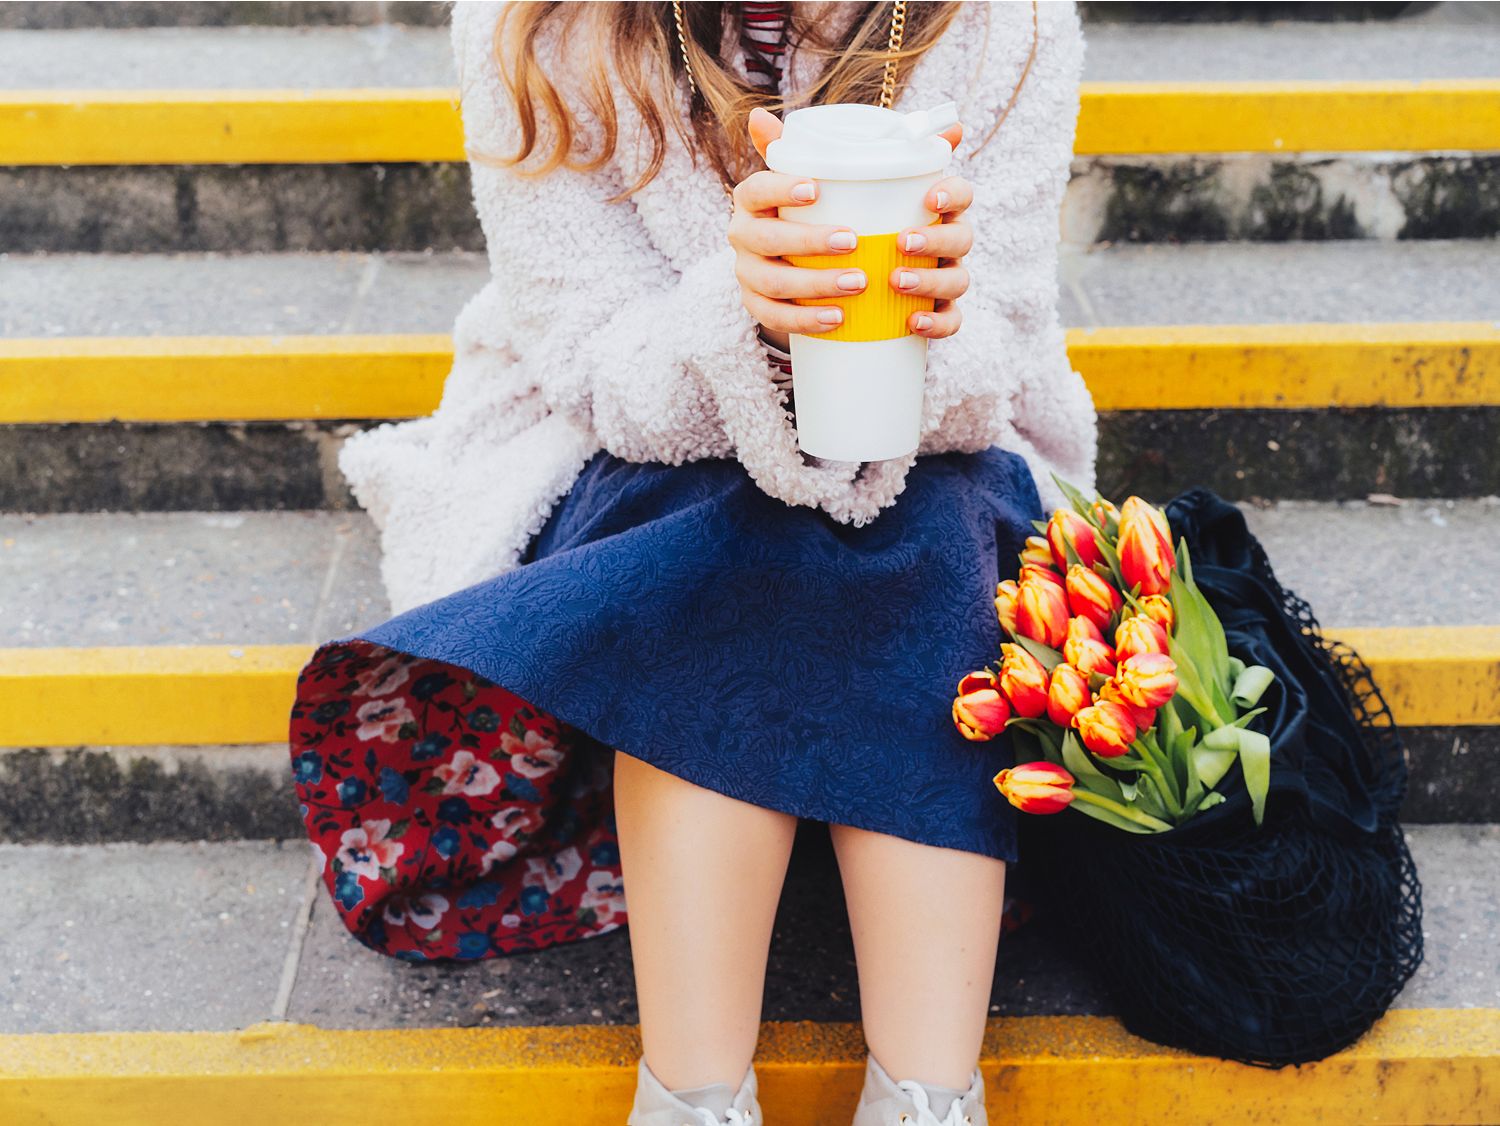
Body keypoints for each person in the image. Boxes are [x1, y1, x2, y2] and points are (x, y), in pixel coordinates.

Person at [286, 3, 1095, 1124]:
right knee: (725, 533)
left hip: (937, 475)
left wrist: (930, 320)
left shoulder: (1007, 24)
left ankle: (925, 1101)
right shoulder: (537, 26)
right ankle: (696, 1099)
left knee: (922, 523)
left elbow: (999, 356)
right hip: (630, 463)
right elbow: (591, 367)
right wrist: (742, 311)